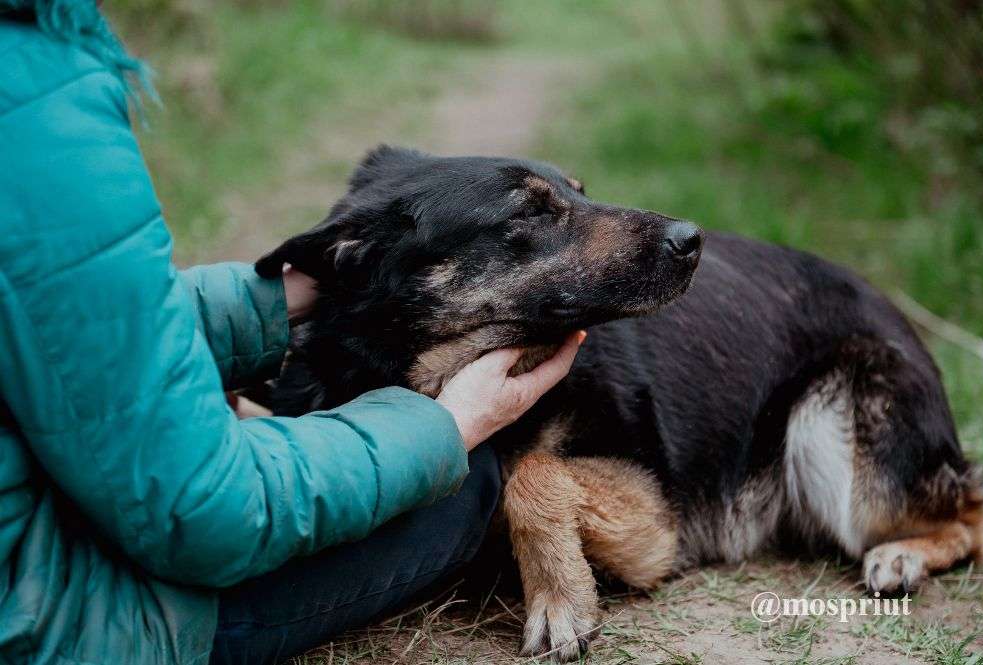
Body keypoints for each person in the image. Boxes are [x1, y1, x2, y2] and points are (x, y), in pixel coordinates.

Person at [0, 2, 583, 664]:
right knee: (467, 482)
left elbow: (64, 315)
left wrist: (277, 301)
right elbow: (203, 511)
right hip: (59, 621)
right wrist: (443, 429)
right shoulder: (34, 88)